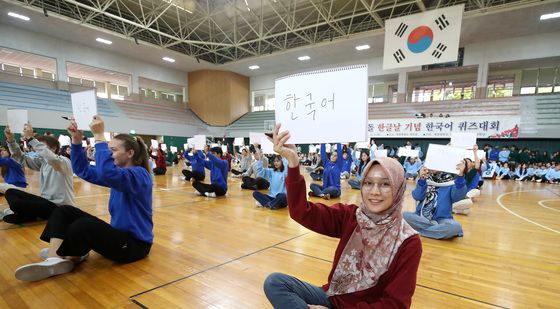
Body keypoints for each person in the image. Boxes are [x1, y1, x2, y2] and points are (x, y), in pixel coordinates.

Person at [263, 123, 422, 308]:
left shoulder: (408, 242)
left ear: (398, 188)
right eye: (368, 183)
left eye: (385, 184)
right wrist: (292, 161)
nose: (374, 192)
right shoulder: (352, 217)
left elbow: (394, 304)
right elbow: (301, 212)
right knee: (275, 283)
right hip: (332, 297)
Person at [14, 116, 153, 282]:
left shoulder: (141, 175)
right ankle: (56, 258)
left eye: (113, 150)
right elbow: (82, 170)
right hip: (118, 236)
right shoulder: (119, 175)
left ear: (130, 153)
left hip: (134, 247)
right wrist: (77, 141)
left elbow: (106, 173)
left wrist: (100, 136)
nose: (110, 154)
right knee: (64, 210)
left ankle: (71, 253)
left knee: (84, 225)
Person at [3, 123, 75, 224]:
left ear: (53, 148)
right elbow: (20, 158)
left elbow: (52, 158)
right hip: (46, 203)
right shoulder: (43, 162)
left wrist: (31, 139)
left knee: (16, 204)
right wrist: (10, 140)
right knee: (11, 192)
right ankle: (31, 215)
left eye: (41, 147)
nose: (37, 150)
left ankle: (29, 215)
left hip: (60, 208)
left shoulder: (64, 161)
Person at [403, 162, 467, 240]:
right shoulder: (425, 177)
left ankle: (419, 231)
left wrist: (460, 177)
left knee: (455, 227)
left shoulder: (451, 180)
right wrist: (422, 179)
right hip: (421, 217)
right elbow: (417, 196)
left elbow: (457, 197)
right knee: (404, 215)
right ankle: (436, 230)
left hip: (442, 219)